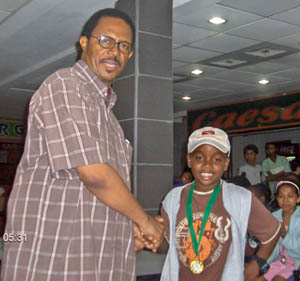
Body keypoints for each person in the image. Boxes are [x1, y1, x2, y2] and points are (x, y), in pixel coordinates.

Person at [1, 8, 163, 281]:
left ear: (130, 55)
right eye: (106, 41)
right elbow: (95, 176)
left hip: (98, 263)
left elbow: (101, 199)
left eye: (124, 46)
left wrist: (127, 232)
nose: (115, 51)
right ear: (84, 43)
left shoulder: (111, 122)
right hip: (53, 263)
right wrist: (145, 221)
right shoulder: (65, 85)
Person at [157, 126, 281, 281]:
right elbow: (165, 246)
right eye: (199, 158)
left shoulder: (240, 198)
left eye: (216, 159)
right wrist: (154, 236)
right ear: (189, 160)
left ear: (226, 163)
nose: (207, 165)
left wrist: (258, 263)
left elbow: (273, 231)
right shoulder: (173, 198)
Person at [255, 175, 300, 281]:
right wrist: (262, 263)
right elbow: (269, 244)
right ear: (277, 199)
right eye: (281, 196)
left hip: (296, 262)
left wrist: (284, 236)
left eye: (290, 196)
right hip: (278, 261)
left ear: (298, 198)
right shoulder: (274, 217)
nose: (285, 200)